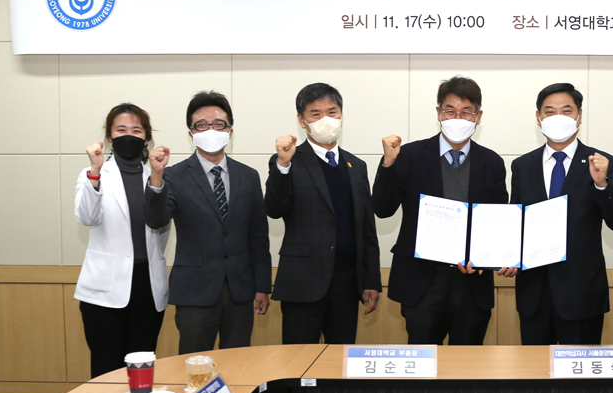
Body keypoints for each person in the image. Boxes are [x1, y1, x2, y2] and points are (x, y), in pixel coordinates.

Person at [371, 76, 508, 345]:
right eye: (450, 111)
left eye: (466, 112)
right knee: (423, 364)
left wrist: (487, 258)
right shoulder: (408, 155)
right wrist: (388, 164)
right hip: (422, 282)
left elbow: (497, 221)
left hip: (472, 284)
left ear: (478, 117)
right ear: (438, 113)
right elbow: (382, 209)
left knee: (467, 364)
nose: (458, 118)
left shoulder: (491, 162)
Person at [144, 90, 272, 354]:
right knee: (194, 363)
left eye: (218, 124)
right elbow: (156, 220)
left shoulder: (248, 176)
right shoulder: (173, 175)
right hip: (194, 290)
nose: (211, 130)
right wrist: (156, 177)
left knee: (238, 363)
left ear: (230, 131)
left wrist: (262, 286)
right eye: (202, 125)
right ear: (191, 133)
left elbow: (258, 236)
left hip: (240, 290)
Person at [508, 82, 613, 345]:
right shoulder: (522, 165)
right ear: (538, 117)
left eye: (566, 111)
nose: (558, 117)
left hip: (582, 294)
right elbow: (515, 222)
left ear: (579, 116)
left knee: (580, 370)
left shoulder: (601, 162)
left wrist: (602, 184)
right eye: (550, 111)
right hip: (534, 294)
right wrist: (508, 256)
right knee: (534, 369)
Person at [265, 82, 382, 344]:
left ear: (341, 115)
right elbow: (274, 209)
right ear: (302, 120)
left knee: (339, 360)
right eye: (315, 114)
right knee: (297, 359)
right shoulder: (288, 160)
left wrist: (371, 280)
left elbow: (367, 228)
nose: (326, 119)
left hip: (347, 283)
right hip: (302, 282)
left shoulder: (356, 165)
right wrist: (283, 164)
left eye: (332, 112)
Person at [74, 104, 170, 377]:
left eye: (136, 130)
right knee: (106, 368)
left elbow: (162, 228)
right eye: (121, 129)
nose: (129, 135)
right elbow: (86, 218)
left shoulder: (157, 174)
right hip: (104, 289)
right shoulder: (94, 174)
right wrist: (95, 171)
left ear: (146, 138)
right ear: (109, 137)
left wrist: (158, 174)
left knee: (142, 367)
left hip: (147, 285)